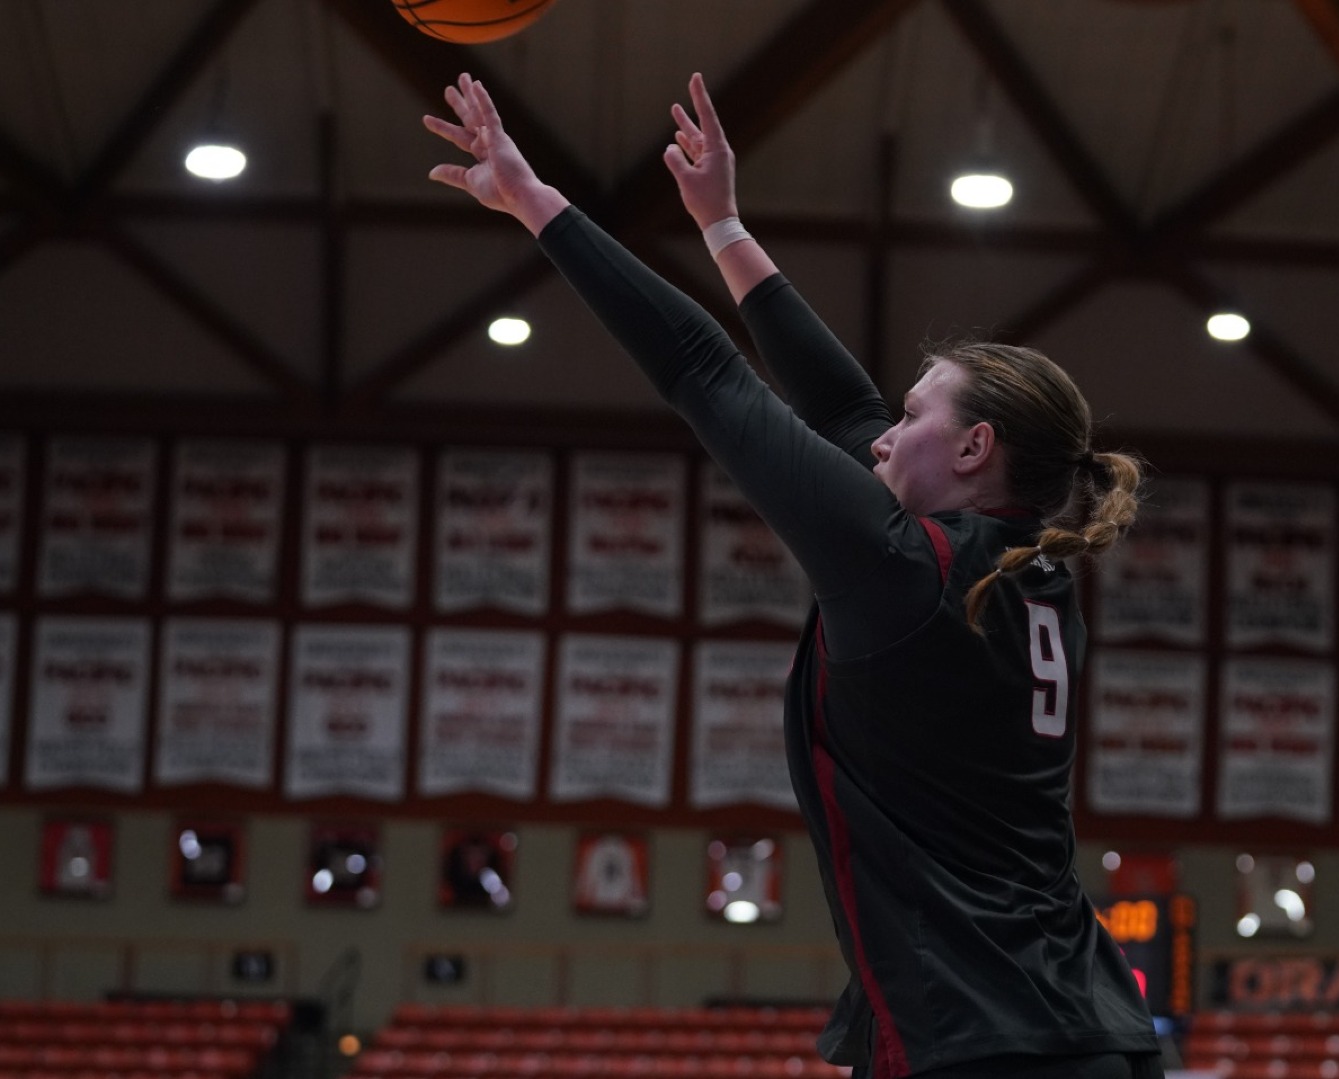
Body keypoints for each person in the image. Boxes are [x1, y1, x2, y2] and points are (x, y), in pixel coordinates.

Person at [425, 72, 1160, 1079]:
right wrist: (723, 225)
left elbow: (705, 371)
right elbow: (846, 408)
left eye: (917, 414)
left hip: (983, 1043)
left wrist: (537, 202)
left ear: (976, 445)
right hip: (1090, 1030)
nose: (885, 434)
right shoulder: (1029, 571)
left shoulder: (908, 572)